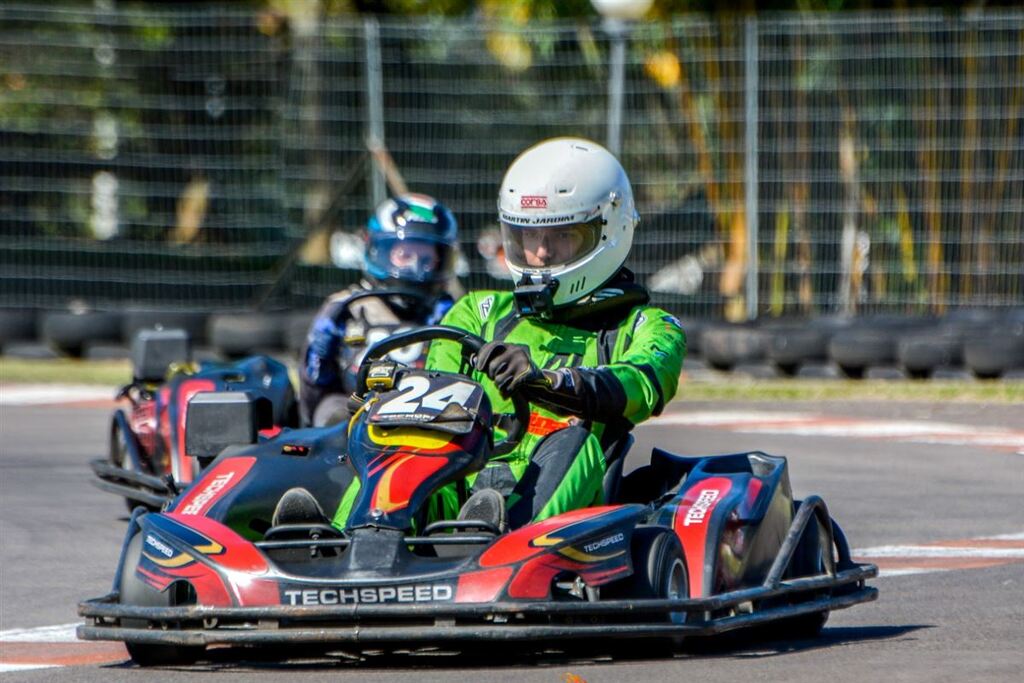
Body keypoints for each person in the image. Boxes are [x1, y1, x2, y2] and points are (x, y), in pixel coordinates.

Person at [325, 137, 688, 532]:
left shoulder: (647, 326)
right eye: (530, 236)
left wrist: (547, 381)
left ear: (608, 231)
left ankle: (500, 547)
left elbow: (639, 387)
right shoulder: (479, 312)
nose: (542, 253)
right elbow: (435, 394)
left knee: (575, 440)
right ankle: (346, 539)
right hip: (462, 483)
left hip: (562, 509)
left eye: (563, 235)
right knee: (402, 443)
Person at [299, 193, 459, 427]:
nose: (416, 268)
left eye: (427, 260)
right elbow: (314, 392)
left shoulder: (449, 312)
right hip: (353, 417)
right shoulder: (345, 308)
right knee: (331, 411)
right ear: (380, 251)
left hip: (429, 421)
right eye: (405, 255)